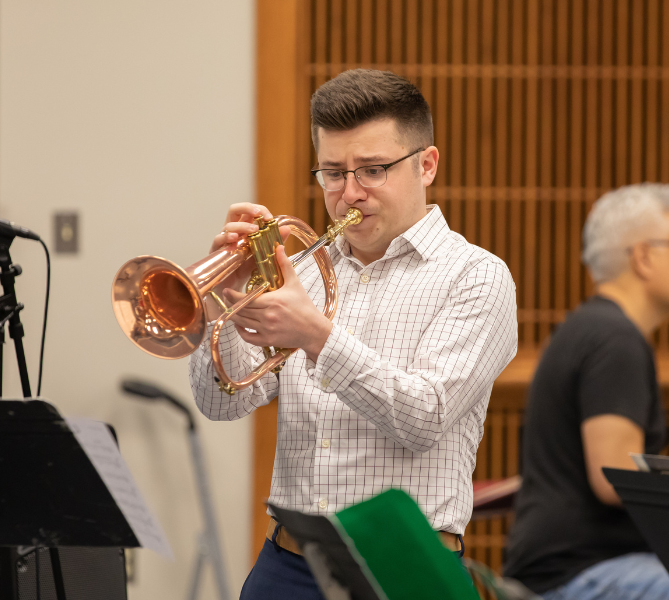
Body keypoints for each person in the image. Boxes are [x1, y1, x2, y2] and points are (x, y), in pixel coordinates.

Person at [187, 69, 518, 599]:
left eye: (373, 170)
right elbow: (218, 402)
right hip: (287, 564)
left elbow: (425, 417)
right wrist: (224, 299)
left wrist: (317, 336)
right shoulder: (302, 272)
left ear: (426, 165)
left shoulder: (476, 276)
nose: (350, 194)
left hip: (403, 571)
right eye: (333, 173)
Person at [503, 183, 669, 600]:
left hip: (562, 567)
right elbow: (614, 478)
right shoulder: (616, 340)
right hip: (578, 574)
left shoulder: (589, 329)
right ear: (644, 256)